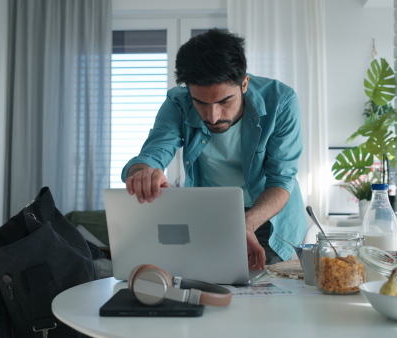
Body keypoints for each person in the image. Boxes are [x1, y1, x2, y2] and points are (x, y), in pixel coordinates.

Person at [121, 28, 307, 270]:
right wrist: (143, 173)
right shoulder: (178, 102)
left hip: (269, 217)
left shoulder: (281, 102)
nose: (213, 116)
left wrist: (245, 224)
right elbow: (153, 154)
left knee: (265, 290)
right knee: (204, 281)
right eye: (200, 102)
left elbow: (281, 180)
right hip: (210, 213)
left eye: (224, 102)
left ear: (244, 84)